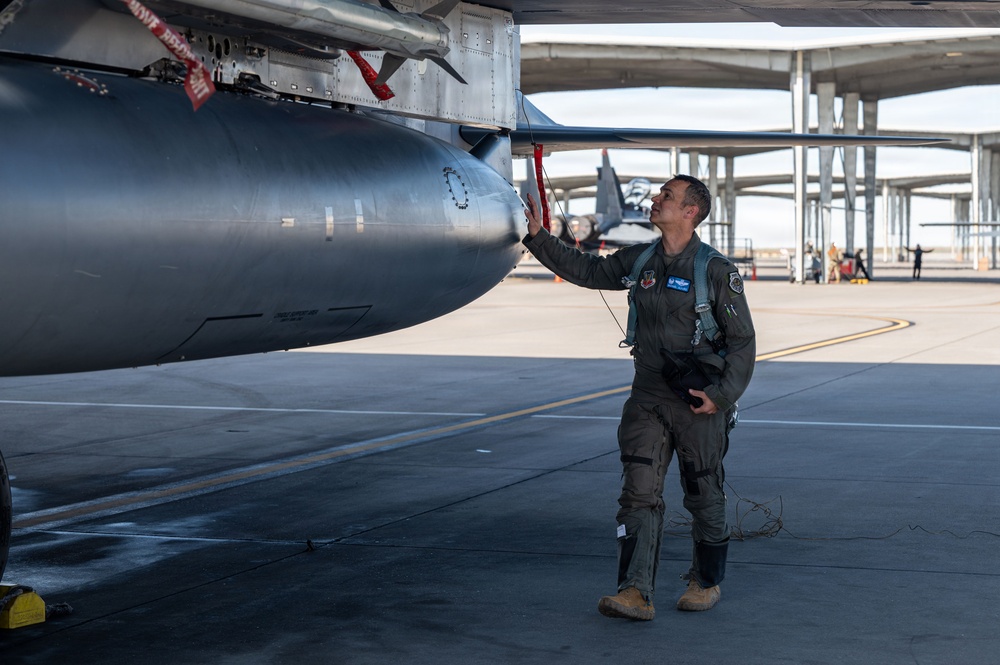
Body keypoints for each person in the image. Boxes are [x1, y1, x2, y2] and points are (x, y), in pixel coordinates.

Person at [522, 175, 756, 621]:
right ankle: (634, 591)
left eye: (666, 195)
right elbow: (588, 270)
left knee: (703, 491)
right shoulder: (642, 259)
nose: (656, 199)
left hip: (697, 399)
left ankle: (705, 582)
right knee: (638, 493)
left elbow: (743, 341)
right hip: (647, 392)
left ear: (691, 211)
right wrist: (538, 237)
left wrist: (721, 397)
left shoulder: (715, 271)